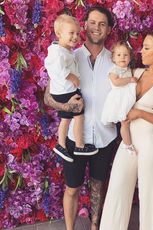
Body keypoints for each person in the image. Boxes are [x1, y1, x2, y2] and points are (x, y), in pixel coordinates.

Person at [44, 6, 117, 230]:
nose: (96, 27)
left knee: (98, 185)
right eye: (92, 22)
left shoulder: (116, 60)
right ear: (84, 25)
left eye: (102, 23)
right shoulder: (68, 56)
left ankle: (95, 226)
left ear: (109, 29)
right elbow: (48, 97)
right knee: (72, 188)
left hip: (105, 137)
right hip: (76, 141)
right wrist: (68, 105)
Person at [99, 30, 153, 230]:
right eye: (142, 46)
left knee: (149, 196)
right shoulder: (134, 73)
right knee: (117, 188)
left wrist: (141, 114)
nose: (140, 51)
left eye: (146, 47)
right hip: (129, 140)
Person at [44, 14, 98, 162]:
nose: (75, 37)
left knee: (66, 119)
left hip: (64, 91)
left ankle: (61, 145)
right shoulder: (57, 52)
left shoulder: (66, 50)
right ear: (59, 34)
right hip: (66, 91)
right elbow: (54, 67)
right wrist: (71, 76)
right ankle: (79, 146)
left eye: (77, 33)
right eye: (71, 33)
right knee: (79, 115)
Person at [101, 41, 144, 155]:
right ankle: (127, 144)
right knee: (124, 122)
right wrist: (130, 80)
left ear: (130, 58)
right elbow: (116, 82)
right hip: (119, 99)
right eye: (119, 55)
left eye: (125, 55)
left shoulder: (129, 70)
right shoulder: (114, 70)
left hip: (128, 98)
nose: (122, 57)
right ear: (113, 58)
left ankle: (132, 141)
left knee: (129, 122)